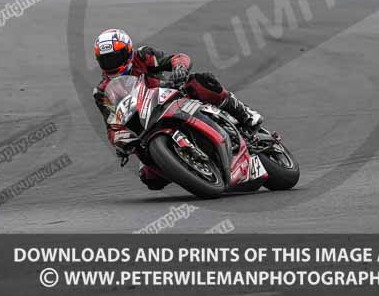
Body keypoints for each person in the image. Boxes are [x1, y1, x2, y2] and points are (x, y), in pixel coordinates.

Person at [91, 28, 263, 190]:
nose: (110, 63)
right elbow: (112, 124)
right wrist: (120, 140)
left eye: (114, 57)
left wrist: (179, 67)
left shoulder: (142, 56)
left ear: (128, 52)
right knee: (150, 179)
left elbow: (176, 58)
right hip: (142, 126)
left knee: (200, 81)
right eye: (105, 60)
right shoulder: (102, 91)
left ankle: (243, 113)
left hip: (167, 97)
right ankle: (191, 168)